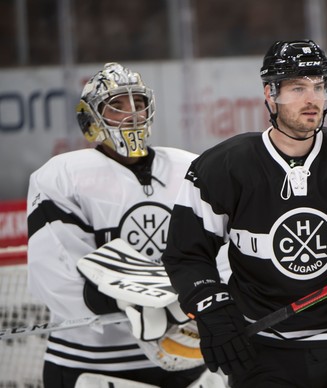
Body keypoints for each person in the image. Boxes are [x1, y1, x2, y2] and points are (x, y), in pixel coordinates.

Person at [162, 40, 327, 388]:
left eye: (319, 86)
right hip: (267, 351)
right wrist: (213, 310)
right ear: (270, 94)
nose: (311, 99)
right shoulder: (223, 168)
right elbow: (187, 253)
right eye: (297, 87)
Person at [26, 62, 213, 388]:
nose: (133, 114)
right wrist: (124, 301)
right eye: (117, 105)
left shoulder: (189, 167)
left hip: (185, 354)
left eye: (138, 103)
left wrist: (210, 297)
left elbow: (220, 248)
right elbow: (53, 270)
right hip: (92, 363)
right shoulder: (62, 175)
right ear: (91, 117)